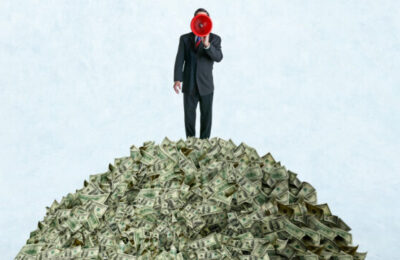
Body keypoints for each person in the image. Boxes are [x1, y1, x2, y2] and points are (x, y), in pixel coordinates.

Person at [173, 8, 223, 139]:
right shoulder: (185, 39)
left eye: (205, 18)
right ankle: (191, 144)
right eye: (199, 18)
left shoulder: (215, 39)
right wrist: (177, 79)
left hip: (206, 86)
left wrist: (207, 45)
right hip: (189, 85)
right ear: (194, 20)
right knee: (189, 117)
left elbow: (218, 57)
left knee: (206, 117)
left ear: (209, 21)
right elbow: (179, 60)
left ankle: (205, 145)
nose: (201, 22)